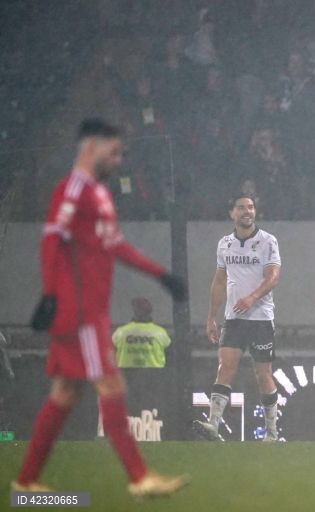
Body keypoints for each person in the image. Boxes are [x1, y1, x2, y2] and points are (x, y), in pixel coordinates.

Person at [14, 119, 189, 496]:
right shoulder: (73, 190)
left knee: (64, 392)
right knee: (110, 384)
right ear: (91, 148)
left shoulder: (98, 194)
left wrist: (162, 275)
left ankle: (25, 482)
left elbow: (115, 246)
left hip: (89, 309)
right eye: (114, 152)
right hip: (79, 313)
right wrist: (50, 295)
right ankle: (140, 477)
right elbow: (51, 241)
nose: (119, 160)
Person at [194, 195, 282, 442]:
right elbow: (219, 281)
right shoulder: (224, 244)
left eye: (251, 207)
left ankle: (272, 431)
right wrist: (211, 317)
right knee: (225, 367)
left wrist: (252, 298)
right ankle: (212, 425)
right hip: (233, 318)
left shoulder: (267, 241)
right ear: (232, 213)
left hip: (261, 318)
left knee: (263, 374)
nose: (247, 212)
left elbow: (273, 276)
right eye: (242, 208)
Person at [112, 298, 172, 369]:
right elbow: (169, 355)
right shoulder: (161, 332)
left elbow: (110, 352)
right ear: (149, 312)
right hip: (156, 376)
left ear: (134, 311)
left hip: (127, 376)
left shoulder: (120, 332)